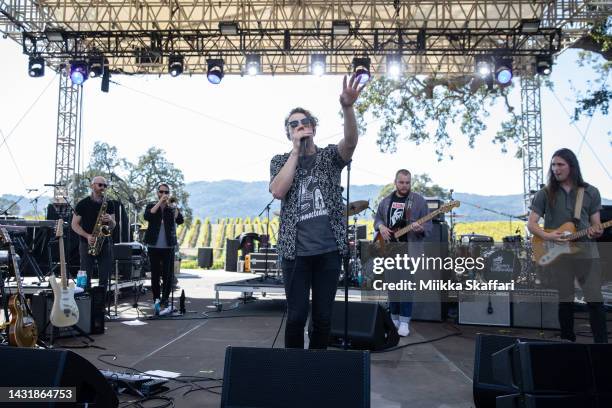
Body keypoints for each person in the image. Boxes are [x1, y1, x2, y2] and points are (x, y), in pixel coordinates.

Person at [269, 74, 365, 349]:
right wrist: (296, 154)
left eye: (304, 122)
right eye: (293, 125)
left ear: (313, 127)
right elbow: (278, 190)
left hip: (328, 252)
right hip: (294, 253)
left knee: (323, 318)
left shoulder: (328, 158)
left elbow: (350, 143)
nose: (300, 126)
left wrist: (348, 108)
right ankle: (293, 372)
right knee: (297, 317)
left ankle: (315, 372)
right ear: (288, 133)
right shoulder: (280, 160)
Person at [528, 148, 607, 343]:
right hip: (559, 254)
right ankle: (567, 343)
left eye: (560, 164)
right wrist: (547, 236)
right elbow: (531, 224)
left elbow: (597, 225)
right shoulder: (545, 193)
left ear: (571, 166)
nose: (555, 169)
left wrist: (598, 230)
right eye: (553, 165)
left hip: (588, 254)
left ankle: (602, 346)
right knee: (565, 301)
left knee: (595, 301)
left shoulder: (590, 192)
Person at [374, 169, 432, 336]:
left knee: (406, 286)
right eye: (401, 182)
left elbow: (428, 226)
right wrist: (381, 227)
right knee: (392, 286)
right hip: (389, 250)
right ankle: (394, 318)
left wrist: (420, 228)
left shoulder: (419, 201)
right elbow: (377, 219)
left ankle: (405, 321)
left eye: (407, 182)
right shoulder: (386, 201)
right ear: (395, 182)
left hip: (409, 249)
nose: (404, 185)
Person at [143, 183, 184, 316]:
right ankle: (156, 298)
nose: (164, 194)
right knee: (155, 275)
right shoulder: (151, 205)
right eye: (161, 192)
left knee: (167, 275)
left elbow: (180, 221)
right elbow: (147, 216)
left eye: (166, 192)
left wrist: (175, 209)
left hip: (168, 246)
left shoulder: (170, 208)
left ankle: (165, 300)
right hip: (153, 246)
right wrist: (160, 202)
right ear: (157, 193)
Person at [71, 176, 116, 289]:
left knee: (104, 277)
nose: (103, 187)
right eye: (100, 185)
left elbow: (113, 226)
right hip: (87, 242)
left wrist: (110, 220)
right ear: (92, 185)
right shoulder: (82, 204)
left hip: (104, 242)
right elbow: (74, 224)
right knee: (85, 277)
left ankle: (101, 304)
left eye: (105, 185)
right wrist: (87, 236)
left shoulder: (109, 203)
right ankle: (86, 303)